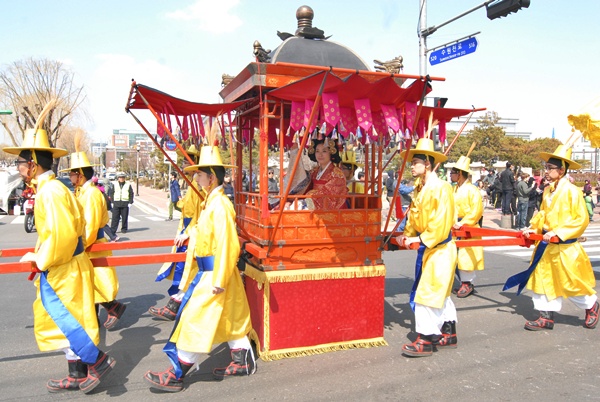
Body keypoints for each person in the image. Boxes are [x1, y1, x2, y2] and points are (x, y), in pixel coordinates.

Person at [3, 117, 115, 393]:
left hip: (62, 267)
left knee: (64, 319)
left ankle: (97, 361)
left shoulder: (50, 192)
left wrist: (40, 260)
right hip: (65, 264)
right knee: (64, 319)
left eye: (20, 161)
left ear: (33, 163)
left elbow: (61, 236)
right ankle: (77, 373)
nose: (18, 167)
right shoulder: (52, 188)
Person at [144, 144, 255, 392]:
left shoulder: (220, 205)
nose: (196, 177)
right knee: (231, 316)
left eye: (199, 174)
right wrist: (189, 234)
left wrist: (219, 278)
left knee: (195, 319)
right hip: (214, 272)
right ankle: (242, 361)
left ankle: (178, 372)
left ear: (211, 177)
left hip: (215, 274)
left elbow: (228, 242)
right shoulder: (212, 202)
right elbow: (206, 231)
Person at [504, 144, 598, 331]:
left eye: (549, 168)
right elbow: (543, 214)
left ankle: (591, 306)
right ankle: (545, 316)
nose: (546, 171)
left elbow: (581, 219)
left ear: (561, 170)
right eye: (545, 167)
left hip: (564, 246)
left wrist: (559, 232)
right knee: (543, 280)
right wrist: (532, 228)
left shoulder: (572, 191)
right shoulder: (548, 191)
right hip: (546, 244)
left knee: (571, 282)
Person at [395, 138, 458, 357]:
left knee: (426, 294)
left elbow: (441, 221)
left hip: (439, 247)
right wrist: (408, 234)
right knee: (440, 291)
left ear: (428, 164)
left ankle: (425, 339)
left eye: (416, 162)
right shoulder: (420, 188)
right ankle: (448, 332)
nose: (412, 166)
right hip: (432, 247)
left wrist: (421, 240)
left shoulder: (441, 188)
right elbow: (414, 217)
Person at [62, 150, 127, 330]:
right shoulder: (84, 192)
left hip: (91, 243)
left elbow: (90, 225)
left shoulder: (90, 194)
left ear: (80, 175)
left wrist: (80, 245)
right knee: (89, 282)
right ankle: (98, 316)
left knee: (93, 281)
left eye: (72, 173)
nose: (70, 177)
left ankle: (112, 307)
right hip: (89, 243)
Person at [149, 163, 205, 320]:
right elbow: (188, 207)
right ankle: (176, 304)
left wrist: (188, 232)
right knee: (186, 270)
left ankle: (176, 305)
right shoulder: (195, 185)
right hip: (191, 230)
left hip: (196, 234)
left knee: (188, 270)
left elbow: (198, 213)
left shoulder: (201, 189)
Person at [449, 156, 484, 298]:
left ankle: (467, 283)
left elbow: (476, 210)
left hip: (467, 225)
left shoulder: (472, 190)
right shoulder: (454, 189)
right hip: (455, 225)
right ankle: (463, 280)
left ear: (460, 174)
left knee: (466, 256)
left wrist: (463, 222)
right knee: (455, 254)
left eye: (453, 172)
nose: (451, 175)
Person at [285, 138, 348, 210]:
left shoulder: (337, 174)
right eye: (317, 151)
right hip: (312, 203)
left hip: (330, 210)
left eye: (324, 151)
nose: (320, 154)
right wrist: (294, 154)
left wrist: (307, 199)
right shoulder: (315, 171)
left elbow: (328, 195)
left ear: (330, 152)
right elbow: (303, 182)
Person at [93, 177, 119, 242]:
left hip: (98, 208)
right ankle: (113, 236)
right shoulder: (100, 188)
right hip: (102, 207)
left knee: (101, 224)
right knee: (101, 224)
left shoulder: (95, 190)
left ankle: (113, 236)